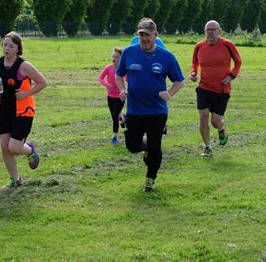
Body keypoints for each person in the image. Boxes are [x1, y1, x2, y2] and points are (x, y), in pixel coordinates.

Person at [116, 18, 184, 192]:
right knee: (132, 146)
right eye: (141, 35)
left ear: (156, 35)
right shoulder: (129, 52)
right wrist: (122, 89)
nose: (144, 39)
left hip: (157, 111)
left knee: (156, 146)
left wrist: (169, 93)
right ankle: (144, 148)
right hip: (135, 110)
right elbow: (119, 75)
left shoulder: (166, 57)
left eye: (147, 35)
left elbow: (179, 81)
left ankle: (150, 178)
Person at [0, 31, 47, 189]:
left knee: (13, 147)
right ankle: (15, 180)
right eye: (4, 45)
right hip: (3, 110)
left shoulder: (24, 66)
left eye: (10, 46)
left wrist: (26, 93)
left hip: (23, 111)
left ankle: (29, 150)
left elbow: (42, 82)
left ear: (17, 49)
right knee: (4, 147)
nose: (6, 48)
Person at [190, 20, 242, 157]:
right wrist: (193, 72)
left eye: (213, 29)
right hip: (204, 88)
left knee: (215, 121)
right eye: (208, 29)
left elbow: (238, 62)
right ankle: (208, 147)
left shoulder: (227, 45)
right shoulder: (199, 46)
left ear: (220, 31)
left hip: (221, 89)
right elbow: (194, 62)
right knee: (203, 116)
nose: (210, 32)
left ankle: (221, 128)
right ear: (204, 31)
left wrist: (232, 75)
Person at [98, 47, 125, 146]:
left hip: (120, 97)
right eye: (113, 56)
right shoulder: (108, 68)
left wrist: (127, 90)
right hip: (110, 97)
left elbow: (129, 79)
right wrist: (107, 85)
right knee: (115, 116)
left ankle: (115, 137)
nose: (114, 58)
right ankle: (123, 119)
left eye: (116, 57)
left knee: (115, 116)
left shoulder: (123, 69)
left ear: (121, 58)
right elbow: (100, 78)